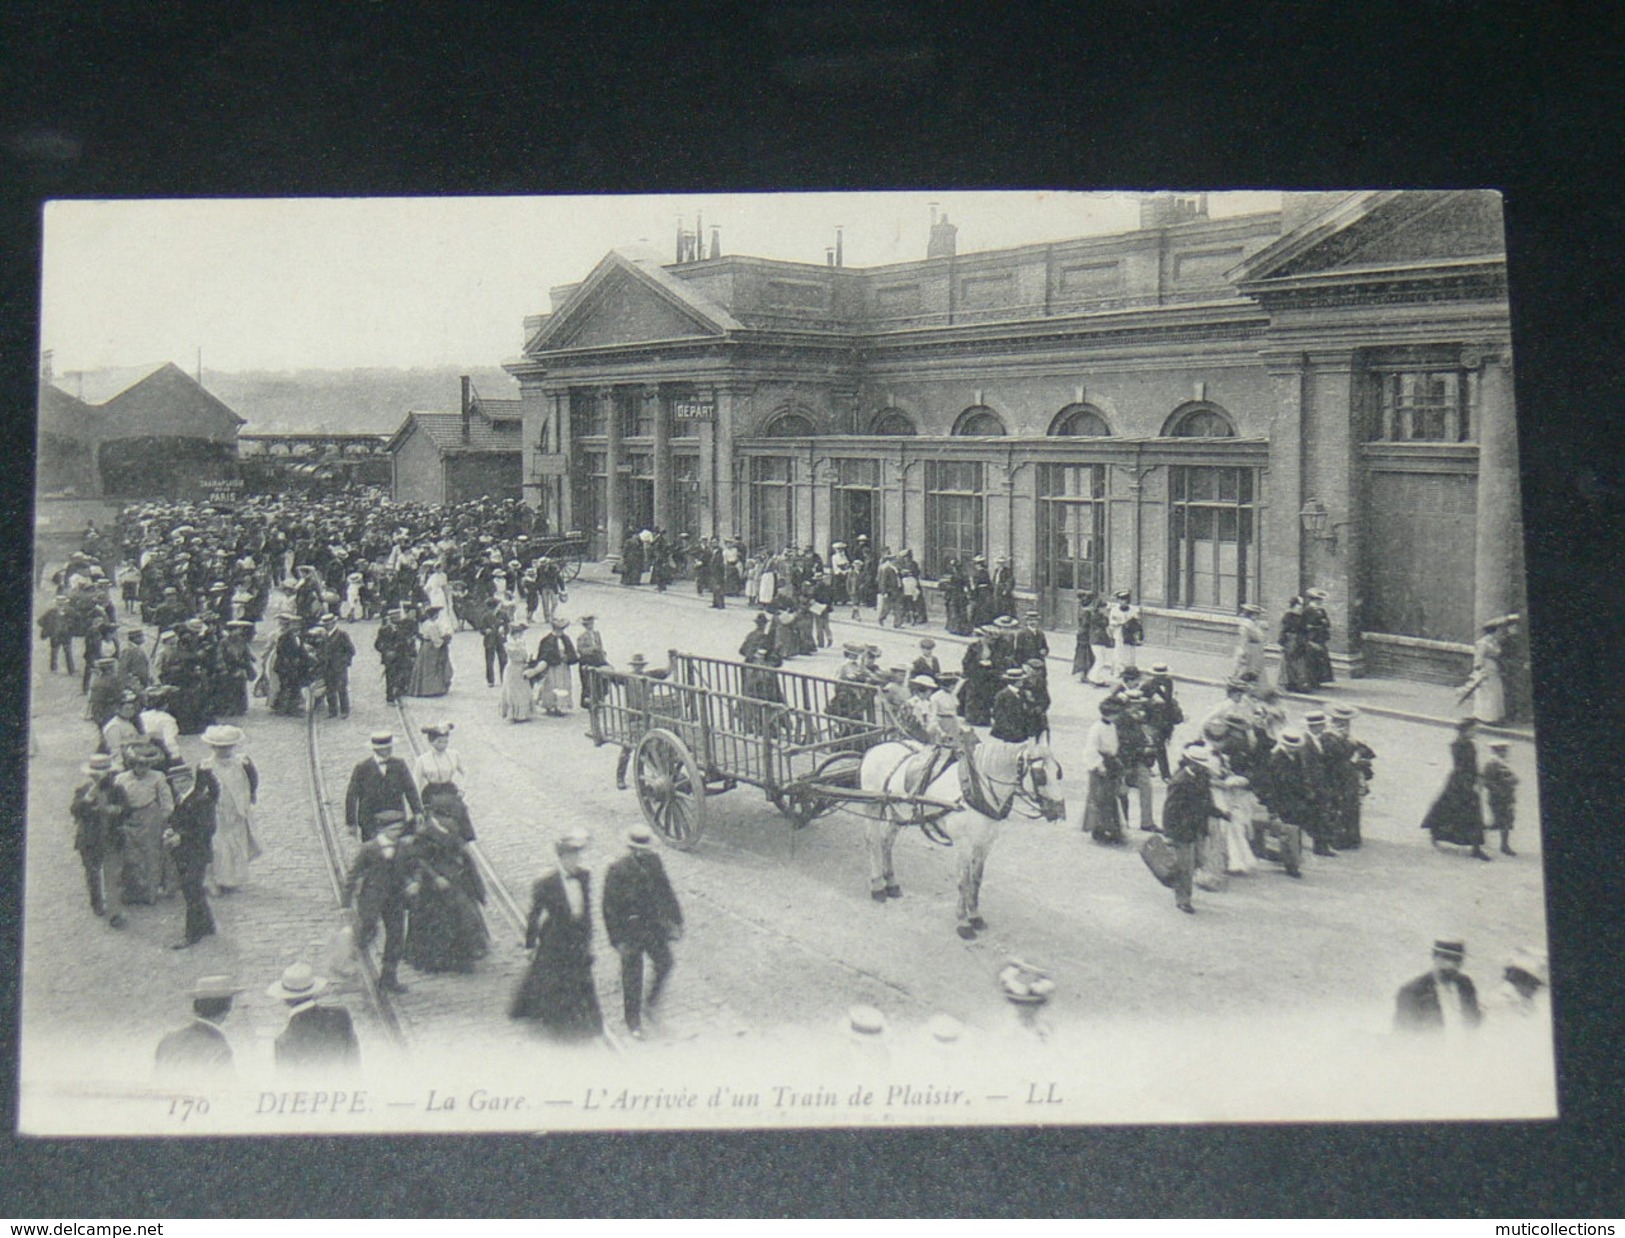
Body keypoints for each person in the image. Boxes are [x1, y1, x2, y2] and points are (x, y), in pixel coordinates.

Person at [510, 829, 605, 1040]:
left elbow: (586, 908)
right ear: (561, 858)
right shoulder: (546, 882)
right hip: (555, 939)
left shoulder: (584, 875)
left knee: (582, 979)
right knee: (555, 980)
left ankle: (586, 1022)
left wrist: (588, 936)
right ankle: (559, 1024)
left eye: (577, 856)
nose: (575, 860)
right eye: (571, 856)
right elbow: (534, 915)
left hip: (578, 937)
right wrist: (529, 944)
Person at [601, 826, 684, 1037]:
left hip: (654, 928)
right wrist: (616, 940)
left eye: (644, 849)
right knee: (632, 977)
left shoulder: (654, 861)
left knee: (666, 963)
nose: (641, 853)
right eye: (637, 849)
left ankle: (652, 1002)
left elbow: (666, 891)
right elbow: (608, 908)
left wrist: (677, 920)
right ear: (630, 848)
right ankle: (633, 1021)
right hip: (630, 931)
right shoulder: (617, 869)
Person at [403, 814, 490, 974]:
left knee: (462, 916)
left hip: (456, 878)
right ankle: (441, 960)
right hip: (435, 885)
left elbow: (462, 852)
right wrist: (435, 877)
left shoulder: (448, 827)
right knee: (440, 921)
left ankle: (464, 956)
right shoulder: (423, 836)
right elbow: (419, 860)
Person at [343, 815, 417, 993]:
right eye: (393, 829)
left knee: (396, 938)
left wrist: (413, 882)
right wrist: (345, 903)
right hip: (372, 899)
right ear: (381, 830)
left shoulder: (403, 847)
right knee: (366, 934)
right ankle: (351, 966)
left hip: (396, 900)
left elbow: (412, 868)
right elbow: (353, 875)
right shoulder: (369, 849)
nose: (397, 833)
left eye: (399, 829)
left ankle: (389, 978)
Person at [163, 761, 220, 949]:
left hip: (197, 852)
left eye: (182, 781)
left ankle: (192, 934)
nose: (178, 785)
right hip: (184, 852)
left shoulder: (200, 800)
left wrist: (181, 836)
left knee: (191, 889)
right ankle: (208, 925)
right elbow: (176, 820)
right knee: (192, 889)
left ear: (190, 780)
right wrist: (171, 830)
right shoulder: (182, 798)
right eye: (175, 782)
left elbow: (207, 829)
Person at [269, 962, 362, 1072]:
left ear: (285, 999)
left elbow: (289, 1084)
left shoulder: (284, 1042)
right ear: (313, 992)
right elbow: (355, 1065)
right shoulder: (340, 1015)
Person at [71, 752, 129, 928]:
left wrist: (116, 809)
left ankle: (115, 912)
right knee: (93, 873)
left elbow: (127, 810)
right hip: (90, 839)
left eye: (104, 775)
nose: (100, 779)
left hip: (111, 837)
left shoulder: (117, 790)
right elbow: (76, 811)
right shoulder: (83, 790)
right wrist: (90, 796)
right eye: (96, 776)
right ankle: (97, 903)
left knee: (112, 876)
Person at [1163, 746, 1223, 914]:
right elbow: (1170, 809)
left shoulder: (1201, 777)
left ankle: (1173, 876)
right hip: (1182, 830)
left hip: (1197, 827)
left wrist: (1220, 813)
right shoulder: (1180, 781)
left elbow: (1206, 802)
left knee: (1198, 860)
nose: (1202, 768)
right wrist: (1169, 833)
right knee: (1186, 866)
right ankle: (1183, 899)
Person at [1422, 718, 1492, 860]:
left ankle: (1475, 846)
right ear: (1465, 730)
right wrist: (1470, 781)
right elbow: (1461, 766)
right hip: (1460, 782)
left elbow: (1474, 764)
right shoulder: (1458, 745)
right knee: (1459, 811)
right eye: (1473, 730)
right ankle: (1439, 833)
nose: (1475, 732)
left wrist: (1478, 777)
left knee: (1468, 812)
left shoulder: (1470, 744)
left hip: (1467, 780)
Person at [115, 741, 176, 905]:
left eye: (146, 765)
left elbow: (166, 800)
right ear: (132, 764)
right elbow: (117, 799)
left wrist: (164, 817)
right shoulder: (121, 779)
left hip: (150, 817)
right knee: (131, 855)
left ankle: (150, 892)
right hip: (129, 817)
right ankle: (134, 891)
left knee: (151, 854)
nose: (143, 768)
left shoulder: (157, 777)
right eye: (139, 765)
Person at [154, 975, 242, 1081]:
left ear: (196, 1008)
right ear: (227, 1009)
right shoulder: (218, 1047)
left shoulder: (168, 1040)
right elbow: (229, 1089)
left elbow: (156, 1080)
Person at [344, 731, 424, 841]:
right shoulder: (362, 768)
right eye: (383, 748)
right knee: (374, 853)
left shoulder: (399, 764)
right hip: (370, 821)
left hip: (396, 816)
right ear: (375, 749)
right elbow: (351, 795)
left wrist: (417, 811)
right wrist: (351, 823)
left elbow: (410, 789)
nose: (387, 751)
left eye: (389, 748)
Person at [1394, 940, 1482, 1034]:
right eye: (1446, 958)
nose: (1451, 965)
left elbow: (1474, 1022)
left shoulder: (1465, 985)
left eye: (1457, 959)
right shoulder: (1413, 991)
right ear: (1434, 957)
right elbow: (1403, 1035)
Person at [413, 720, 474, 841]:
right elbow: (416, 782)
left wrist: (462, 788)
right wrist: (417, 803)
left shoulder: (453, 754)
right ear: (431, 742)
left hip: (449, 789)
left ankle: (463, 839)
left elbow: (465, 771)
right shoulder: (422, 760)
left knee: (460, 811)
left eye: (445, 741)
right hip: (432, 792)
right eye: (439, 742)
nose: (443, 745)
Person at [1081, 699, 1125, 844]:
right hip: (1100, 765)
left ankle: (1112, 829)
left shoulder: (1112, 726)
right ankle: (1098, 829)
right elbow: (1091, 748)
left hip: (1111, 762)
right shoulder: (1097, 728)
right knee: (1099, 798)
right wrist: (1099, 765)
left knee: (1110, 798)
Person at [1462, 619, 1509, 725]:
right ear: (1493, 631)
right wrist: (1480, 671)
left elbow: (1498, 654)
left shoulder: (1495, 642)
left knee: (1496, 692)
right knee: (1487, 693)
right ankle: (1487, 717)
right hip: (1486, 669)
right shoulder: (1482, 642)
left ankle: (1496, 716)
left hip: (1494, 669)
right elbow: (1478, 658)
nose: (1500, 632)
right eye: (1498, 630)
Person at [529, 616, 578, 716]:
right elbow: (544, 655)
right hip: (552, 668)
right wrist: (556, 657)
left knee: (562, 685)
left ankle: (560, 707)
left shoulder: (565, 639)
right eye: (559, 629)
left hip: (563, 667)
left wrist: (568, 657)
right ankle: (549, 706)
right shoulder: (547, 640)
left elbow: (571, 652)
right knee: (551, 685)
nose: (561, 632)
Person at [1481, 739, 1519, 857]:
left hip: (1507, 796)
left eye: (1505, 750)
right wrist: (1499, 790)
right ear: (1497, 751)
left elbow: (1513, 778)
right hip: (1497, 798)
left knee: (1503, 821)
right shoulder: (1492, 764)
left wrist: (1513, 781)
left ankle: (1501, 843)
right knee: (1503, 821)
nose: (1505, 752)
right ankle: (1504, 845)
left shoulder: (1503, 763)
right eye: (1503, 750)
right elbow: (1487, 781)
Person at [406, 603, 454, 697]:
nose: (437, 616)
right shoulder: (432, 626)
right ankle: (431, 690)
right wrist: (445, 639)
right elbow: (436, 640)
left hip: (425, 647)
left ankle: (421, 689)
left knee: (424, 667)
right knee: (432, 668)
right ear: (434, 615)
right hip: (431, 648)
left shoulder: (425, 623)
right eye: (436, 615)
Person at [316, 613, 356, 719]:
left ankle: (344, 711)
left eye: (328, 624)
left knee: (341, 689)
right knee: (329, 690)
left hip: (339, 668)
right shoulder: (324, 635)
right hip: (327, 667)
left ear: (333, 623)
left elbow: (350, 650)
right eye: (325, 625)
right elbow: (321, 649)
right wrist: (321, 658)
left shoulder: (342, 635)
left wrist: (344, 662)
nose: (326, 626)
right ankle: (332, 711)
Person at [499, 620, 535, 722]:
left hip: (521, 668)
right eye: (519, 633)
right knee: (514, 691)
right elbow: (516, 656)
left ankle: (522, 714)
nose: (521, 635)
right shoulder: (510, 644)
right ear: (514, 634)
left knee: (523, 690)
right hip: (513, 668)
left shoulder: (520, 643)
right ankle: (514, 714)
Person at [1232, 603, 1270, 688]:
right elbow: (1244, 638)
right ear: (1251, 614)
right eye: (1255, 614)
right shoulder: (1247, 625)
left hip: (1255, 650)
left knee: (1254, 670)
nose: (1257, 616)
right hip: (1249, 650)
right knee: (1248, 670)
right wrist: (1243, 650)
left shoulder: (1253, 624)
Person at [1301, 588, 1334, 688]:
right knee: (1312, 660)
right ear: (1312, 600)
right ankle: (1312, 681)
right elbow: (1304, 625)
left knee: (1321, 659)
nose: (1320, 602)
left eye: (1320, 600)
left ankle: (1319, 680)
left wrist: (1324, 623)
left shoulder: (1321, 610)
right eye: (1318, 600)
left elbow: (1327, 623)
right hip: (1312, 638)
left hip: (1321, 637)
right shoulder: (1307, 610)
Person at [1106, 589, 1142, 679]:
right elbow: (1112, 623)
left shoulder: (1133, 610)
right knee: (1119, 653)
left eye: (1125, 600)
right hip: (1119, 634)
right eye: (1121, 600)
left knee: (1130, 653)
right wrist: (1122, 623)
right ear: (1118, 600)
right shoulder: (1114, 610)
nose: (1123, 602)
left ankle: (1130, 671)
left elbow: (1137, 622)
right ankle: (1119, 671)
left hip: (1130, 635)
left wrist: (1133, 624)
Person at [576, 614, 609, 708]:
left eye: (591, 624)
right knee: (589, 681)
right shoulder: (582, 637)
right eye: (588, 625)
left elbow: (600, 646)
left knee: (603, 677)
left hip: (598, 659)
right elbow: (580, 650)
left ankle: (600, 698)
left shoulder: (597, 634)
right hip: (587, 660)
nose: (590, 626)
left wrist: (602, 653)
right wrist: (591, 649)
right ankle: (589, 701)